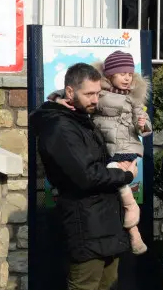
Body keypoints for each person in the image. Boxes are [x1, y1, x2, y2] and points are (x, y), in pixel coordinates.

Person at [31, 63, 139, 290]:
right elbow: (84, 175)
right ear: (70, 92)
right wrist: (123, 174)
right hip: (84, 220)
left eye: (97, 93)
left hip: (103, 220)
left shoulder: (79, 120)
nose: (95, 99)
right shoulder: (59, 126)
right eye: (89, 94)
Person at [50, 51, 152, 255]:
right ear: (109, 74)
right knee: (111, 182)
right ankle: (132, 232)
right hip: (108, 147)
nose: (127, 78)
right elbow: (73, 92)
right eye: (122, 73)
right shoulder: (99, 91)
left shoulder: (133, 99)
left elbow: (143, 124)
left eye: (130, 74)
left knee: (116, 174)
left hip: (125, 147)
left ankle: (132, 210)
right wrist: (57, 99)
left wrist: (143, 125)